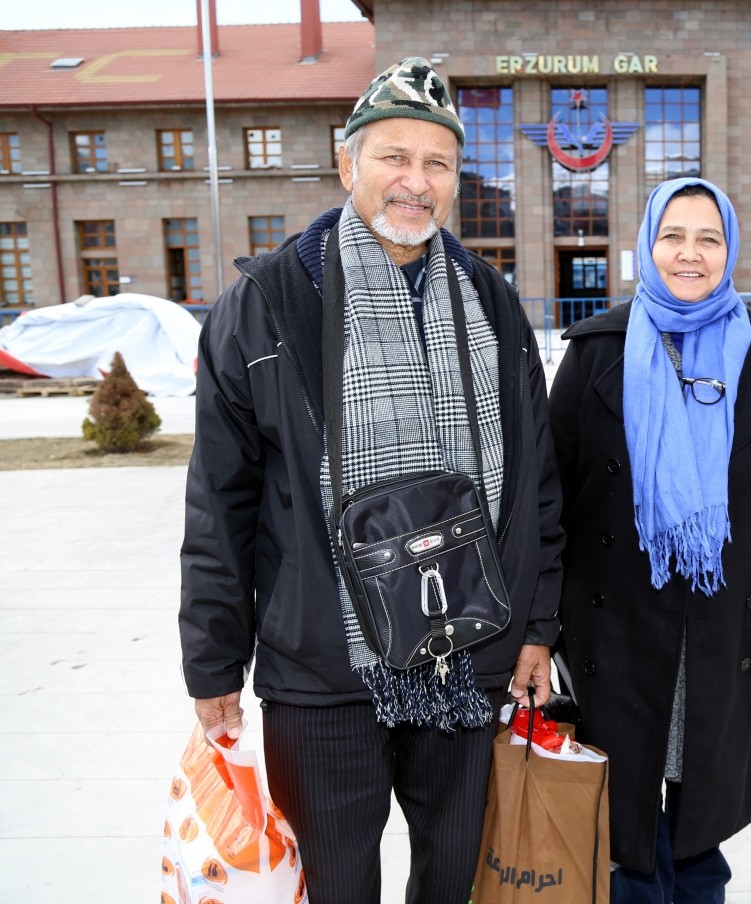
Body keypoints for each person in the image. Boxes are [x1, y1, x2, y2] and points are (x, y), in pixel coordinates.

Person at [179, 57, 564, 904]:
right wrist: (212, 663)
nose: (414, 183)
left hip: (469, 658)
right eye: (394, 157)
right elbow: (220, 500)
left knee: (455, 881)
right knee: (337, 887)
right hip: (324, 671)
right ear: (347, 163)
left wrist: (537, 627)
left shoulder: (493, 304)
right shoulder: (268, 303)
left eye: (437, 164)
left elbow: (538, 483)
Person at [548, 177, 751, 903]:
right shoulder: (595, 353)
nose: (690, 253)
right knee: (628, 844)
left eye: (708, 238)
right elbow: (548, 499)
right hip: (614, 641)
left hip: (719, 638)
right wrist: (542, 628)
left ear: (729, 249)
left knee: (699, 841)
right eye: (673, 235)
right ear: (647, 244)